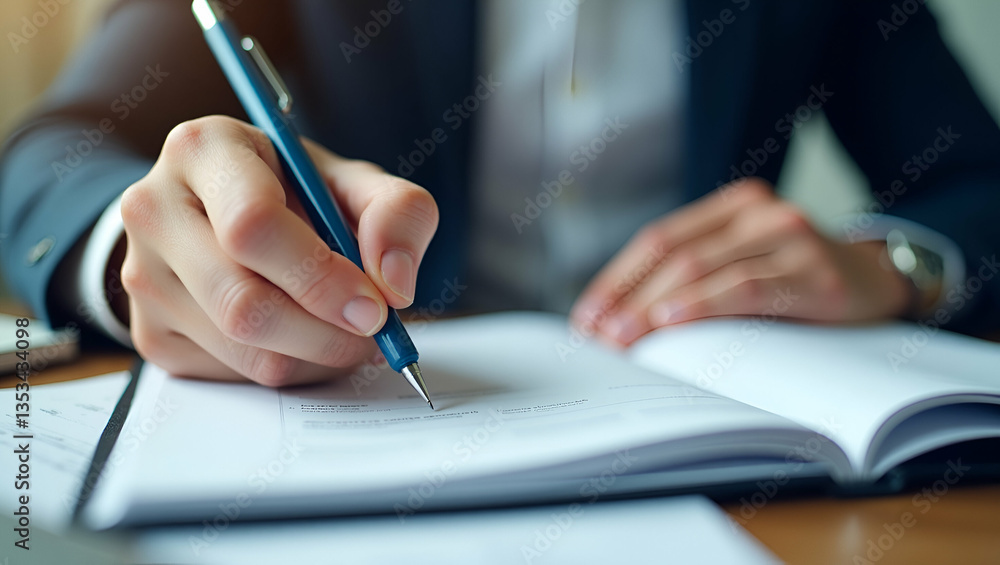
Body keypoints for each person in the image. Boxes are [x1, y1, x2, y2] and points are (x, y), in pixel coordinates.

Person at [2, 0, 999, 387]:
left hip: (739, 466)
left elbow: (977, 182)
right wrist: (130, 253)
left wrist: (897, 262)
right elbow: (50, 152)